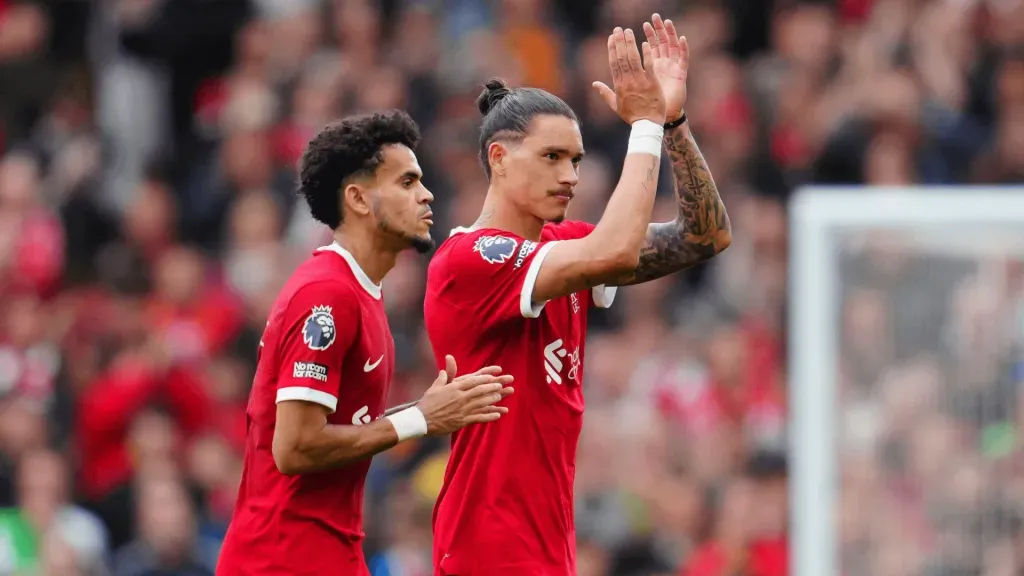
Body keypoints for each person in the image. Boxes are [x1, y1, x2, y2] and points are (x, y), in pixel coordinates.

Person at [423, 17, 732, 575]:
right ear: (498, 158)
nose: (569, 175)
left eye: (576, 160)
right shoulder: (472, 261)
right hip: (488, 552)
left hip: (547, 551)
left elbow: (704, 235)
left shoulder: (565, 248)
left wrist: (672, 121)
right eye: (551, 157)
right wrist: (642, 127)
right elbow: (613, 252)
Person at [217, 110, 515, 576]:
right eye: (407, 182)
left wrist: (428, 411)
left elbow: (339, 429)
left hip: (327, 550)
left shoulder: (361, 294)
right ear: (358, 198)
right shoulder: (327, 295)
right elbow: (293, 447)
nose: (427, 194)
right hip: (282, 558)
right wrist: (418, 419)